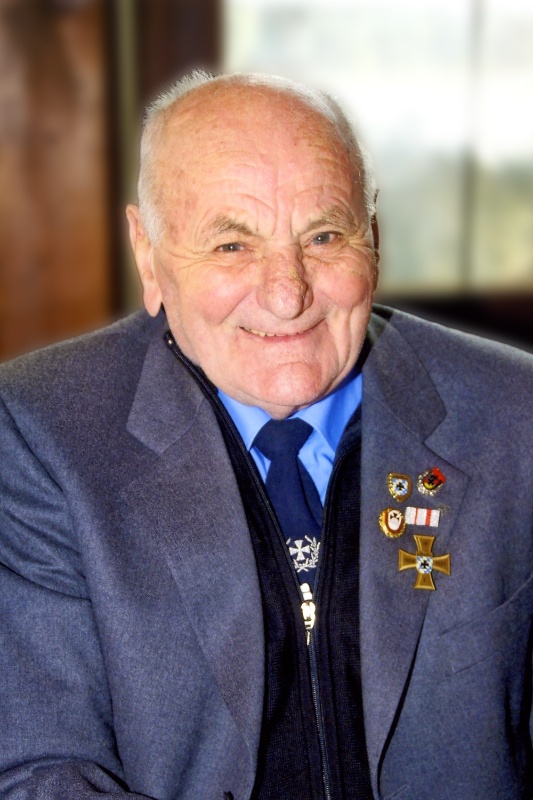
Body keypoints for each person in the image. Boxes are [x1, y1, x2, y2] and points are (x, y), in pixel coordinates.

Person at [0, 71, 531, 800]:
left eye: (324, 236)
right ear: (148, 254)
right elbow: (40, 768)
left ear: (372, 238)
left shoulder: (513, 415)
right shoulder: (42, 430)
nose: (287, 293)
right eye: (231, 245)